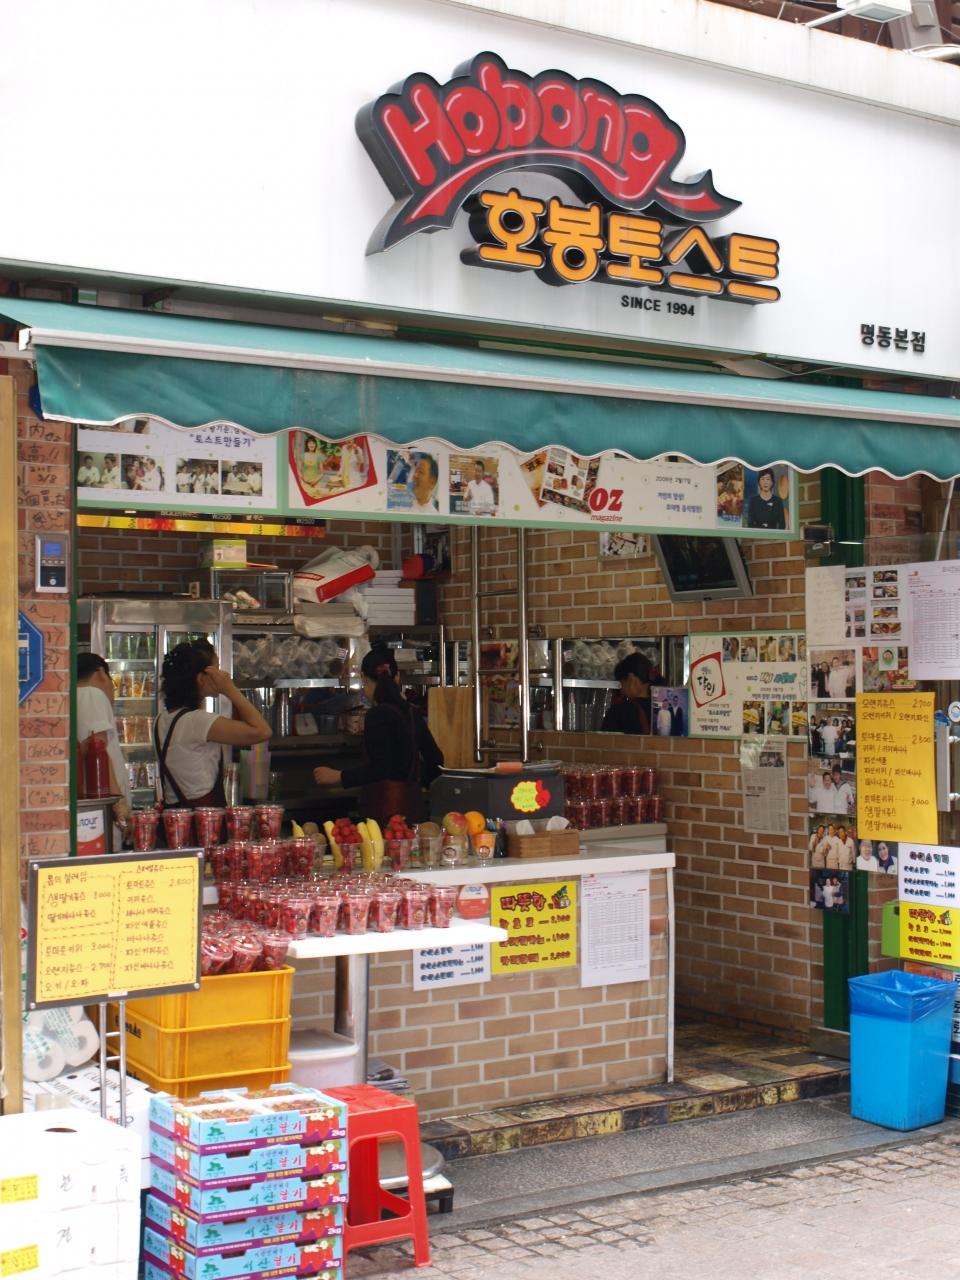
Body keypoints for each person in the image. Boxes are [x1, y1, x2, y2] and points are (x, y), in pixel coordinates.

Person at [312, 646, 444, 824]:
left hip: (385, 815)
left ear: (364, 679)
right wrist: (414, 780)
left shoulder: (377, 714)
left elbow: (380, 768)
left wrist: (338, 776)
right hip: (414, 811)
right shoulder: (412, 712)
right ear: (397, 677)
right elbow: (436, 760)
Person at [154, 643, 271, 807]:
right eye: (217, 670)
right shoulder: (198, 721)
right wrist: (230, 689)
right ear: (201, 679)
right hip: (205, 817)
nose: (223, 675)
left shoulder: (161, 719)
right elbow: (262, 731)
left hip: (176, 816)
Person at [76, 653, 131, 838]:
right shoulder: (92, 694)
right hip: (103, 814)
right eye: (112, 682)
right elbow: (98, 751)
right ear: (100, 673)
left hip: (88, 813)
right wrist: (120, 808)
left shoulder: (73, 697)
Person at [601, 652, 653, 735]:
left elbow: (604, 741)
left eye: (622, 683)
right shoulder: (662, 709)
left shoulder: (618, 712)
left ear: (631, 678)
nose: (622, 690)